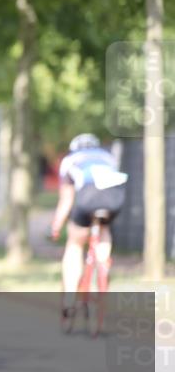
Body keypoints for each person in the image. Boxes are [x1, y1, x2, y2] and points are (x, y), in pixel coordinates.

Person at [50, 133, 128, 317]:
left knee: (75, 243)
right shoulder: (108, 157)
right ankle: (103, 265)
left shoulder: (70, 160)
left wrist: (56, 226)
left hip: (87, 197)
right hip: (113, 199)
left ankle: (69, 296)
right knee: (104, 229)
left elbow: (66, 200)